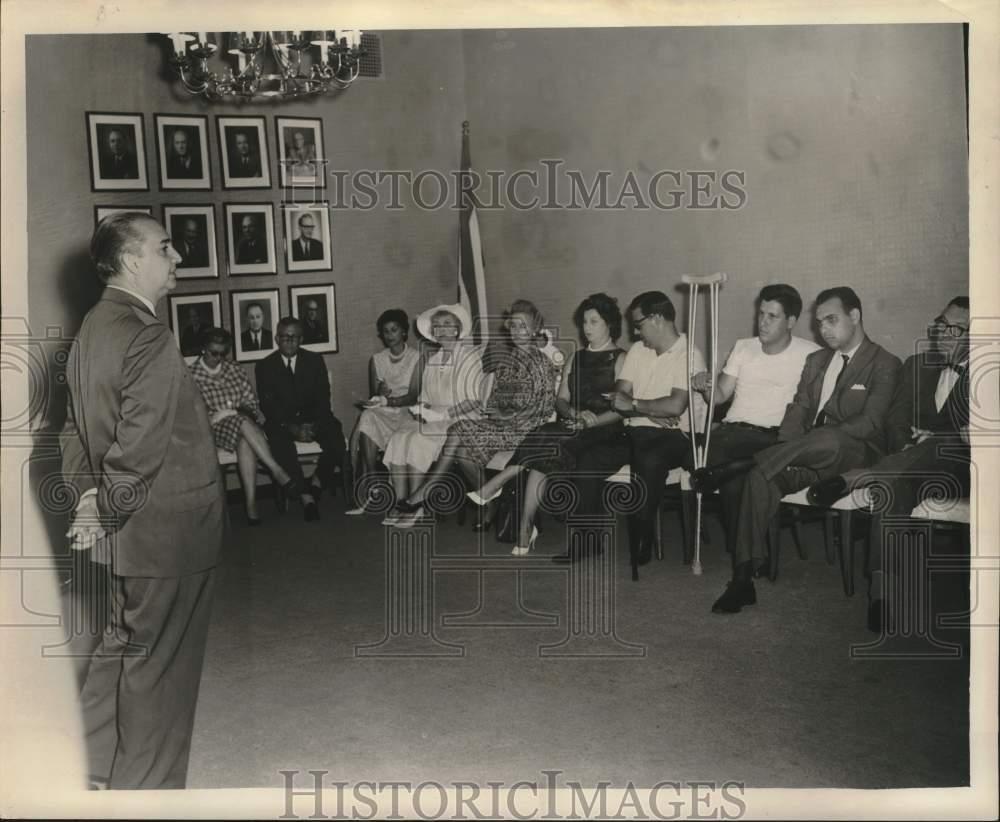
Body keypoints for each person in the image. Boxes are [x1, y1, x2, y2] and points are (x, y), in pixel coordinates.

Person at [59, 212, 225, 789]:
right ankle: (145, 796)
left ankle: (85, 771)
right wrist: (103, 507)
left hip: (124, 529)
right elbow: (141, 443)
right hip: (167, 529)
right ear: (132, 260)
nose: (176, 257)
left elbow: (73, 431)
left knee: (122, 647)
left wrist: (88, 501)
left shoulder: (91, 329)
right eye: (165, 248)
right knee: (161, 669)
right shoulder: (148, 333)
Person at [705, 286, 901, 614]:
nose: (824, 329)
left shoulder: (884, 363)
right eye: (821, 322)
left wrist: (809, 441)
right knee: (759, 479)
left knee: (829, 438)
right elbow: (798, 410)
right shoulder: (816, 360)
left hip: (852, 454)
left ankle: (749, 461)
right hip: (806, 454)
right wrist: (789, 446)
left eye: (832, 320)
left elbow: (869, 423)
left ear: (855, 317)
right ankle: (742, 580)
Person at [806, 297, 970, 631]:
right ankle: (881, 596)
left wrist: (939, 439)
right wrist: (909, 445)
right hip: (908, 464)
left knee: (945, 442)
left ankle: (854, 478)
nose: (944, 334)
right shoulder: (916, 365)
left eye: (957, 329)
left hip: (962, 469)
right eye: (942, 323)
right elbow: (895, 421)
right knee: (887, 489)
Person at [469, 293, 626, 556]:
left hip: (605, 429)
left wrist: (591, 420)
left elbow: (622, 408)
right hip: (572, 425)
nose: (586, 328)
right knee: (542, 447)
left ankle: (501, 482)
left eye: (594, 322)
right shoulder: (575, 358)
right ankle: (525, 526)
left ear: (609, 323)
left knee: (543, 441)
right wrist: (573, 412)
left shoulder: (621, 358)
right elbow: (560, 400)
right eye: (584, 322)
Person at [394, 300, 556, 530]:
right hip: (500, 426)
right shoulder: (506, 362)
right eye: (513, 326)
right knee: (461, 452)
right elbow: (492, 401)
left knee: (458, 428)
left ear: (534, 330)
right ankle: (489, 500)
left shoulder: (541, 363)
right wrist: (496, 413)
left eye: (523, 326)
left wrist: (507, 416)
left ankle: (425, 491)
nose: (517, 332)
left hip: (526, 430)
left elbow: (544, 407)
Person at [688, 284, 819, 562]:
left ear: (791, 322)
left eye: (772, 316)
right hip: (733, 432)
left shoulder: (811, 354)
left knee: (738, 482)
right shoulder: (743, 348)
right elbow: (721, 395)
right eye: (761, 313)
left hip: (773, 438)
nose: (762, 322)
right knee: (734, 473)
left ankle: (745, 558)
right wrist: (703, 384)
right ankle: (748, 557)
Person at [590, 291, 707, 576]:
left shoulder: (689, 353)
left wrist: (638, 405)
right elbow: (619, 397)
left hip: (677, 437)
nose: (634, 331)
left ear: (656, 319)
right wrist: (650, 411)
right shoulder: (638, 352)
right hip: (637, 429)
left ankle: (641, 541)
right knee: (591, 454)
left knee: (649, 458)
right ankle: (587, 537)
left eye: (638, 324)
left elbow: (676, 406)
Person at [381, 304, 485, 527]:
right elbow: (425, 396)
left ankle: (417, 506)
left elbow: (474, 400)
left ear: (457, 329)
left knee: (418, 439)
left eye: (447, 324)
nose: (441, 329)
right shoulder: (433, 359)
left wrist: (443, 414)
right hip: (435, 418)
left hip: (462, 419)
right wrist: (422, 410)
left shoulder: (468, 357)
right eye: (437, 325)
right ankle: (400, 502)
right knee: (400, 436)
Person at [189, 328, 298, 525]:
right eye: (214, 353)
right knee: (241, 421)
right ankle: (276, 470)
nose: (219, 358)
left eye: (223, 353)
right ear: (203, 349)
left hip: (242, 425)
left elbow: (251, 402)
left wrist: (240, 411)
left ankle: (250, 505)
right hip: (212, 429)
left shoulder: (234, 368)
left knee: (244, 439)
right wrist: (229, 413)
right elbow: (195, 415)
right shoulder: (191, 375)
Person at [255, 317, 347, 522]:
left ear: (301, 339)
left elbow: (324, 398)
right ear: (277, 338)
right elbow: (268, 406)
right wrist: (293, 428)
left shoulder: (315, 360)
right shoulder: (264, 366)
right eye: (285, 337)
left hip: (314, 417)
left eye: (295, 337)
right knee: (279, 444)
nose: (289, 341)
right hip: (282, 421)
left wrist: (313, 426)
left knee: (336, 437)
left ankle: (317, 481)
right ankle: (306, 496)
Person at [346, 309, 421, 515]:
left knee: (372, 417)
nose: (389, 335)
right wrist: (380, 393)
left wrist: (390, 399)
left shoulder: (416, 358)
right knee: (368, 415)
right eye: (385, 331)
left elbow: (414, 395)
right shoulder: (377, 359)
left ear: (404, 332)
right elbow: (373, 395)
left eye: (394, 330)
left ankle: (394, 492)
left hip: (408, 412)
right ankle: (372, 480)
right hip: (385, 411)